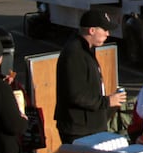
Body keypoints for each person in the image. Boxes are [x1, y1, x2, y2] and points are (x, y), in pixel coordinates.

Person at [54, 10, 126, 144]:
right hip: (79, 130)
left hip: (88, 127)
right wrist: (107, 101)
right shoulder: (75, 54)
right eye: (104, 29)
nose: (108, 34)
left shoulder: (86, 49)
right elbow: (76, 95)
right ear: (92, 30)